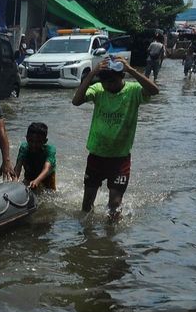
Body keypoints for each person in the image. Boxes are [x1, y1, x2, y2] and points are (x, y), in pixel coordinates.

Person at [71, 54, 159, 220]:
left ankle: (110, 239)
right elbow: (76, 101)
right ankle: (86, 236)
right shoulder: (98, 89)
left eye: (112, 81)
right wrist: (92, 74)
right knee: (87, 203)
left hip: (120, 158)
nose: (108, 85)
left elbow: (155, 91)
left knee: (115, 204)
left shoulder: (133, 91)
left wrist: (131, 69)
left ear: (121, 76)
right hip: (96, 155)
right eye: (105, 82)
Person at [14, 122, 57, 190]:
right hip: (30, 173)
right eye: (30, 141)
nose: (34, 145)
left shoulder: (50, 150)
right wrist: (14, 181)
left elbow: (47, 169)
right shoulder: (24, 148)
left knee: (50, 194)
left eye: (38, 142)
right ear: (26, 138)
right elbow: (18, 166)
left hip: (47, 176)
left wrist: (37, 180)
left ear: (45, 141)